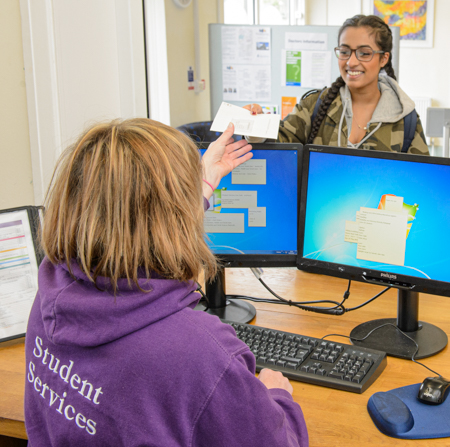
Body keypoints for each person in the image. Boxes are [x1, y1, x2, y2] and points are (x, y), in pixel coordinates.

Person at [24, 118, 309, 447]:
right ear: (175, 218)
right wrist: (278, 396)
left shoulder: (51, 287)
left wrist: (203, 180)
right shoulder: (202, 353)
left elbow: (131, 222)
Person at [245, 14, 429, 155]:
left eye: (364, 53)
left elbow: (420, 180)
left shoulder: (406, 119)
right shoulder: (315, 106)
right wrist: (255, 126)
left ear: (383, 59)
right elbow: (279, 144)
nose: (351, 62)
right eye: (344, 52)